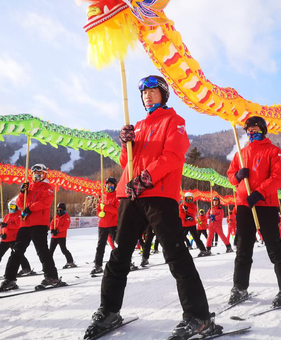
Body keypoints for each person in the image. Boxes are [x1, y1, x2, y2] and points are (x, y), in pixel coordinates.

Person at [84, 75, 220, 340]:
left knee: (175, 253)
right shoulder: (138, 125)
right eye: (143, 92)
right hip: (129, 194)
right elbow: (127, 163)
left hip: (157, 193)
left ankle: (198, 317)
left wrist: (146, 178)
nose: (147, 95)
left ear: (163, 94)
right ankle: (109, 310)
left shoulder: (174, 121)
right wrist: (125, 144)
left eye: (152, 90)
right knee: (120, 254)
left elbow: (172, 157)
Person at [226, 116, 281, 306]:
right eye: (248, 130)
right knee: (243, 247)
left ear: (263, 130)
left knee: (274, 246)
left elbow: (278, 177)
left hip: (265, 205)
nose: (252, 132)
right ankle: (240, 288)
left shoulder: (273, 151)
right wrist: (237, 175)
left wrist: (259, 193)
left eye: (255, 129)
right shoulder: (241, 154)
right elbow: (230, 177)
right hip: (244, 205)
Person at [0, 163, 63, 292]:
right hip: (25, 224)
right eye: (35, 174)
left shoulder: (48, 187)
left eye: (40, 174)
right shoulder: (29, 187)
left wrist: (30, 209)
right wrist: (22, 192)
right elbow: (20, 203)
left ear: (44, 174)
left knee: (42, 251)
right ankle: (9, 279)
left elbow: (45, 203)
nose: (37, 176)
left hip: (39, 223)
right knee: (17, 251)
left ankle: (51, 276)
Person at [0, 201, 32, 280]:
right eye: (10, 207)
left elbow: (18, 226)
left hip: (13, 239)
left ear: (16, 207)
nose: (11, 208)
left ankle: (26, 268)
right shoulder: (7, 216)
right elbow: (3, 227)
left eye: (13, 207)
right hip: (5, 239)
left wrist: (7, 225)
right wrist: (1, 233)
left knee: (18, 255)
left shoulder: (19, 215)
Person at [92, 178, 119, 274]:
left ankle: (122, 262)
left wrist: (106, 208)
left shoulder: (117, 196)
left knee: (117, 245)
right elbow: (98, 210)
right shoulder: (103, 197)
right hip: (102, 225)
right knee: (100, 246)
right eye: (108, 185)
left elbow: (117, 211)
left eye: (112, 185)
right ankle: (98, 265)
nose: (109, 186)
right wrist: (100, 213)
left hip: (113, 225)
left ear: (115, 186)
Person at [49, 202, 76, 268]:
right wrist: (52, 230)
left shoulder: (66, 217)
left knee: (63, 249)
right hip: (54, 236)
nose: (59, 210)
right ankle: (48, 264)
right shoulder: (56, 216)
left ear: (64, 209)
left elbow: (65, 226)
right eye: (58, 209)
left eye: (60, 209)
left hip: (61, 236)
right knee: (50, 251)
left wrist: (58, 230)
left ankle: (70, 261)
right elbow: (52, 223)